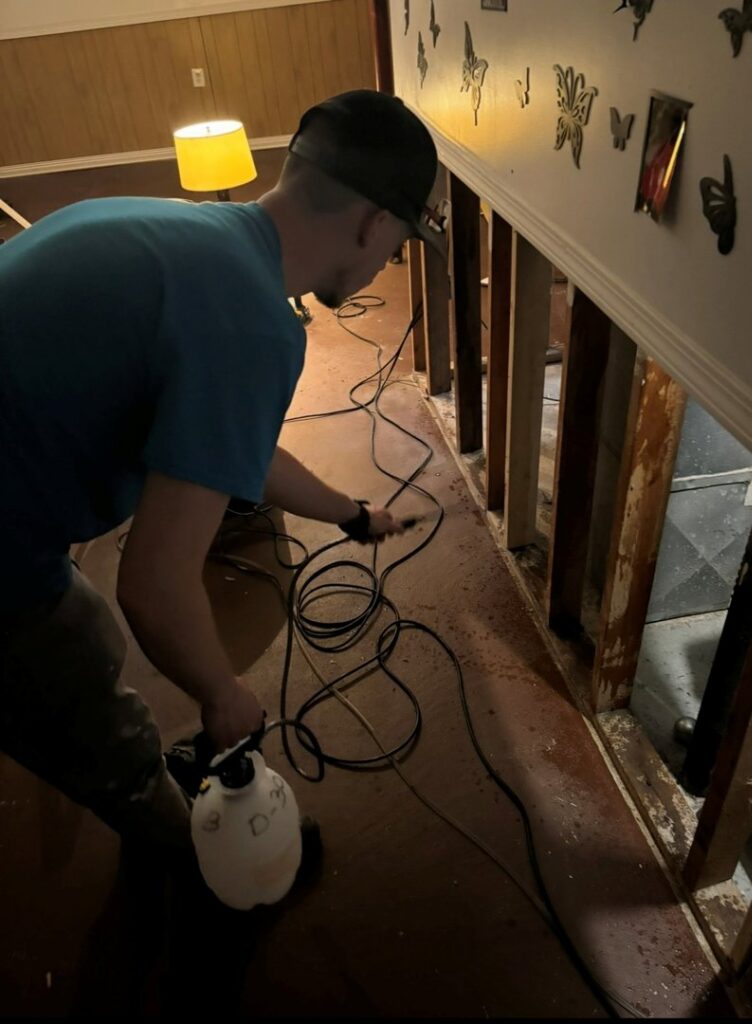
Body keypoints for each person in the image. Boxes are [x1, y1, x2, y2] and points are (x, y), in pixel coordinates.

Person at [0, 90, 447, 855]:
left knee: (80, 632)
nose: (386, 263)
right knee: (84, 686)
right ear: (373, 224)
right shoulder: (251, 323)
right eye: (398, 245)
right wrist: (221, 693)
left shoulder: (182, 230)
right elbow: (154, 584)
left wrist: (349, 513)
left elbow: (236, 447)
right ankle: (193, 869)